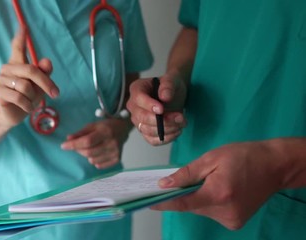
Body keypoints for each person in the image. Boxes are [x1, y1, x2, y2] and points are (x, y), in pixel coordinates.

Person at [0, 0, 153, 239]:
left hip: (100, 221)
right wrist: (2, 117)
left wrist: (120, 127)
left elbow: (127, 93)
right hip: (9, 227)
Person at [126, 0, 306, 239]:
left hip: (286, 208)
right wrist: (175, 79)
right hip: (195, 180)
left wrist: (283, 165)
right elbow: (195, 26)